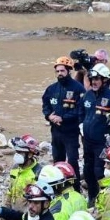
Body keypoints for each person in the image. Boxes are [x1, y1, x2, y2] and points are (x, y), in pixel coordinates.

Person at [79, 63, 110, 206]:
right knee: (87, 171)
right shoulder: (87, 95)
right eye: (92, 79)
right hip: (87, 142)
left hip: (103, 143)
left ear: (105, 80)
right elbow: (81, 112)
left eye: (97, 79)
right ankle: (92, 197)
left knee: (100, 172)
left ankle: (105, 198)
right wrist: (81, 125)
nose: (93, 81)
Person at [42, 56, 86, 190]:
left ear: (69, 71)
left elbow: (81, 111)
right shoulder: (51, 89)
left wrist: (63, 118)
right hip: (55, 131)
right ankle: (57, 189)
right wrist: (49, 116)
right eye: (57, 71)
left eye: (62, 70)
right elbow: (45, 105)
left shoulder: (78, 89)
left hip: (71, 132)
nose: (60, 73)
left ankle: (76, 190)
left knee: (72, 162)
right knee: (57, 161)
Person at [2, 136, 42, 220]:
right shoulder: (15, 169)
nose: (17, 155)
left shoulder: (38, 173)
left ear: (30, 154)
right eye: (17, 152)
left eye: (21, 152)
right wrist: (4, 215)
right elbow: (10, 192)